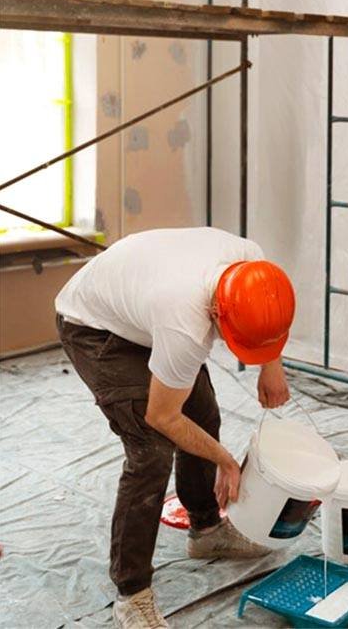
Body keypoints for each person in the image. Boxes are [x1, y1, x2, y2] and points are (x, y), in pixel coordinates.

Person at [55, 227, 295, 629]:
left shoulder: (254, 263)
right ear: (219, 314)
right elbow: (162, 416)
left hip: (140, 306)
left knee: (205, 415)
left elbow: (269, 317)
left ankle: (205, 529)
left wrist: (271, 363)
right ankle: (132, 593)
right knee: (151, 452)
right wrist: (226, 461)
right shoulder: (183, 321)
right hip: (95, 328)